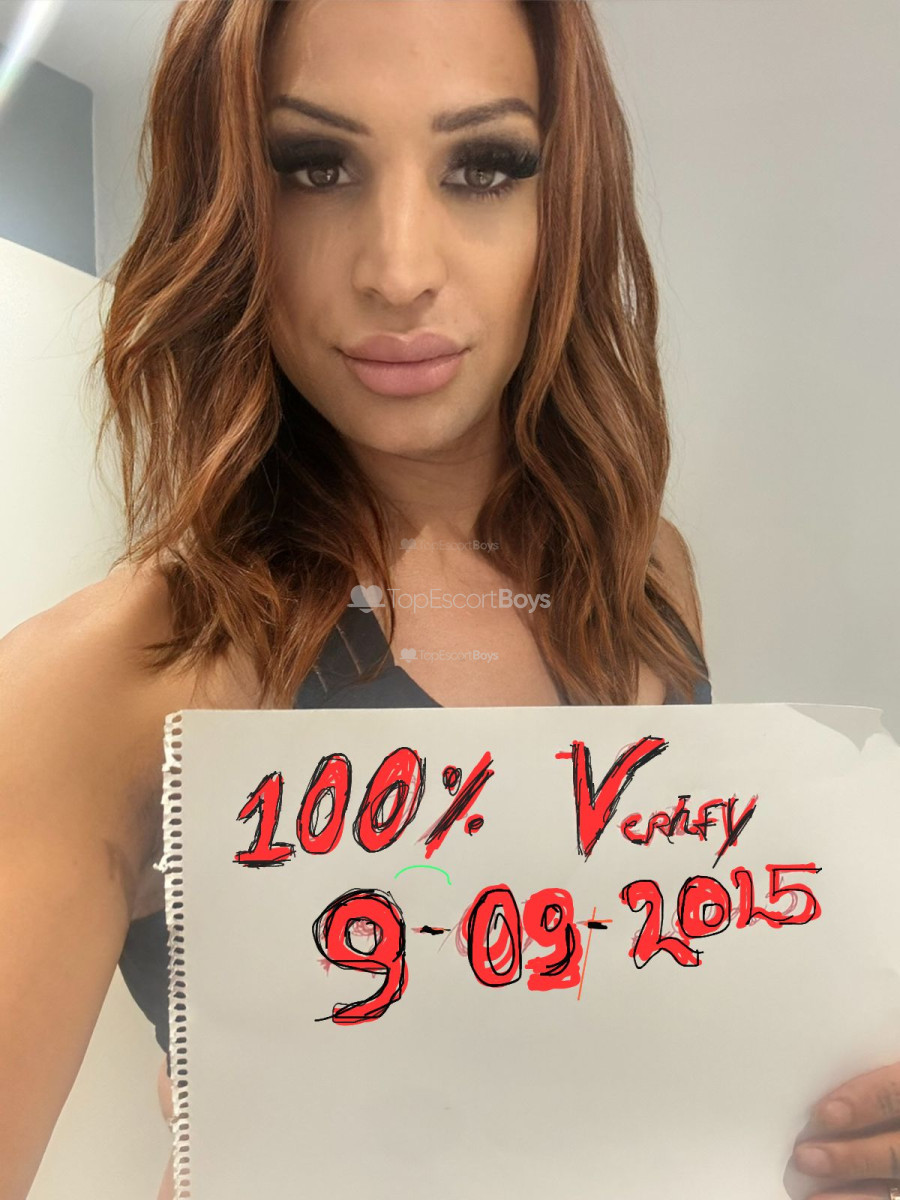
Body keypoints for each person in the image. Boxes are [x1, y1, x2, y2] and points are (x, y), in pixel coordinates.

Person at [0, 1, 893, 1198]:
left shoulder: (644, 576)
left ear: (564, 202)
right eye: (313, 166)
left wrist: (829, 1118)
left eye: (484, 166)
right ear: (229, 205)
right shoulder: (96, 684)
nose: (400, 270)